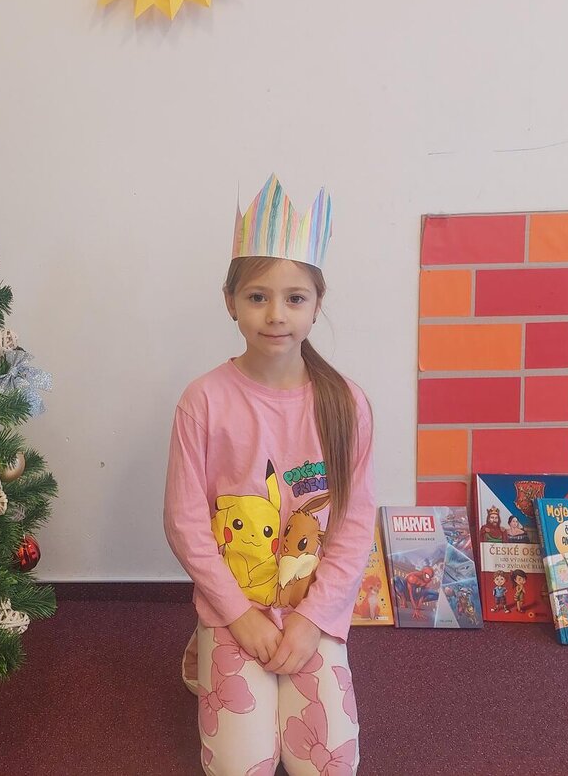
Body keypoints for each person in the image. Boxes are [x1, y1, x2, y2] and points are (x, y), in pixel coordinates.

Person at [165, 177, 375, 776]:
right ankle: (209, 649)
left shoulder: (346, 404)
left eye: (295, 298)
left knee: (328, 766)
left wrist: (311, 622)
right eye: (258, 297)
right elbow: (184, 522)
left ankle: (272, 659)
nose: (276, 315)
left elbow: (354, 524)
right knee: (241, 768)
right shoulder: (203, 401)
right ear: (230, 301)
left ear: (317, 303)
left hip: (313, 609)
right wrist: (237, 615)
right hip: (234, 607)